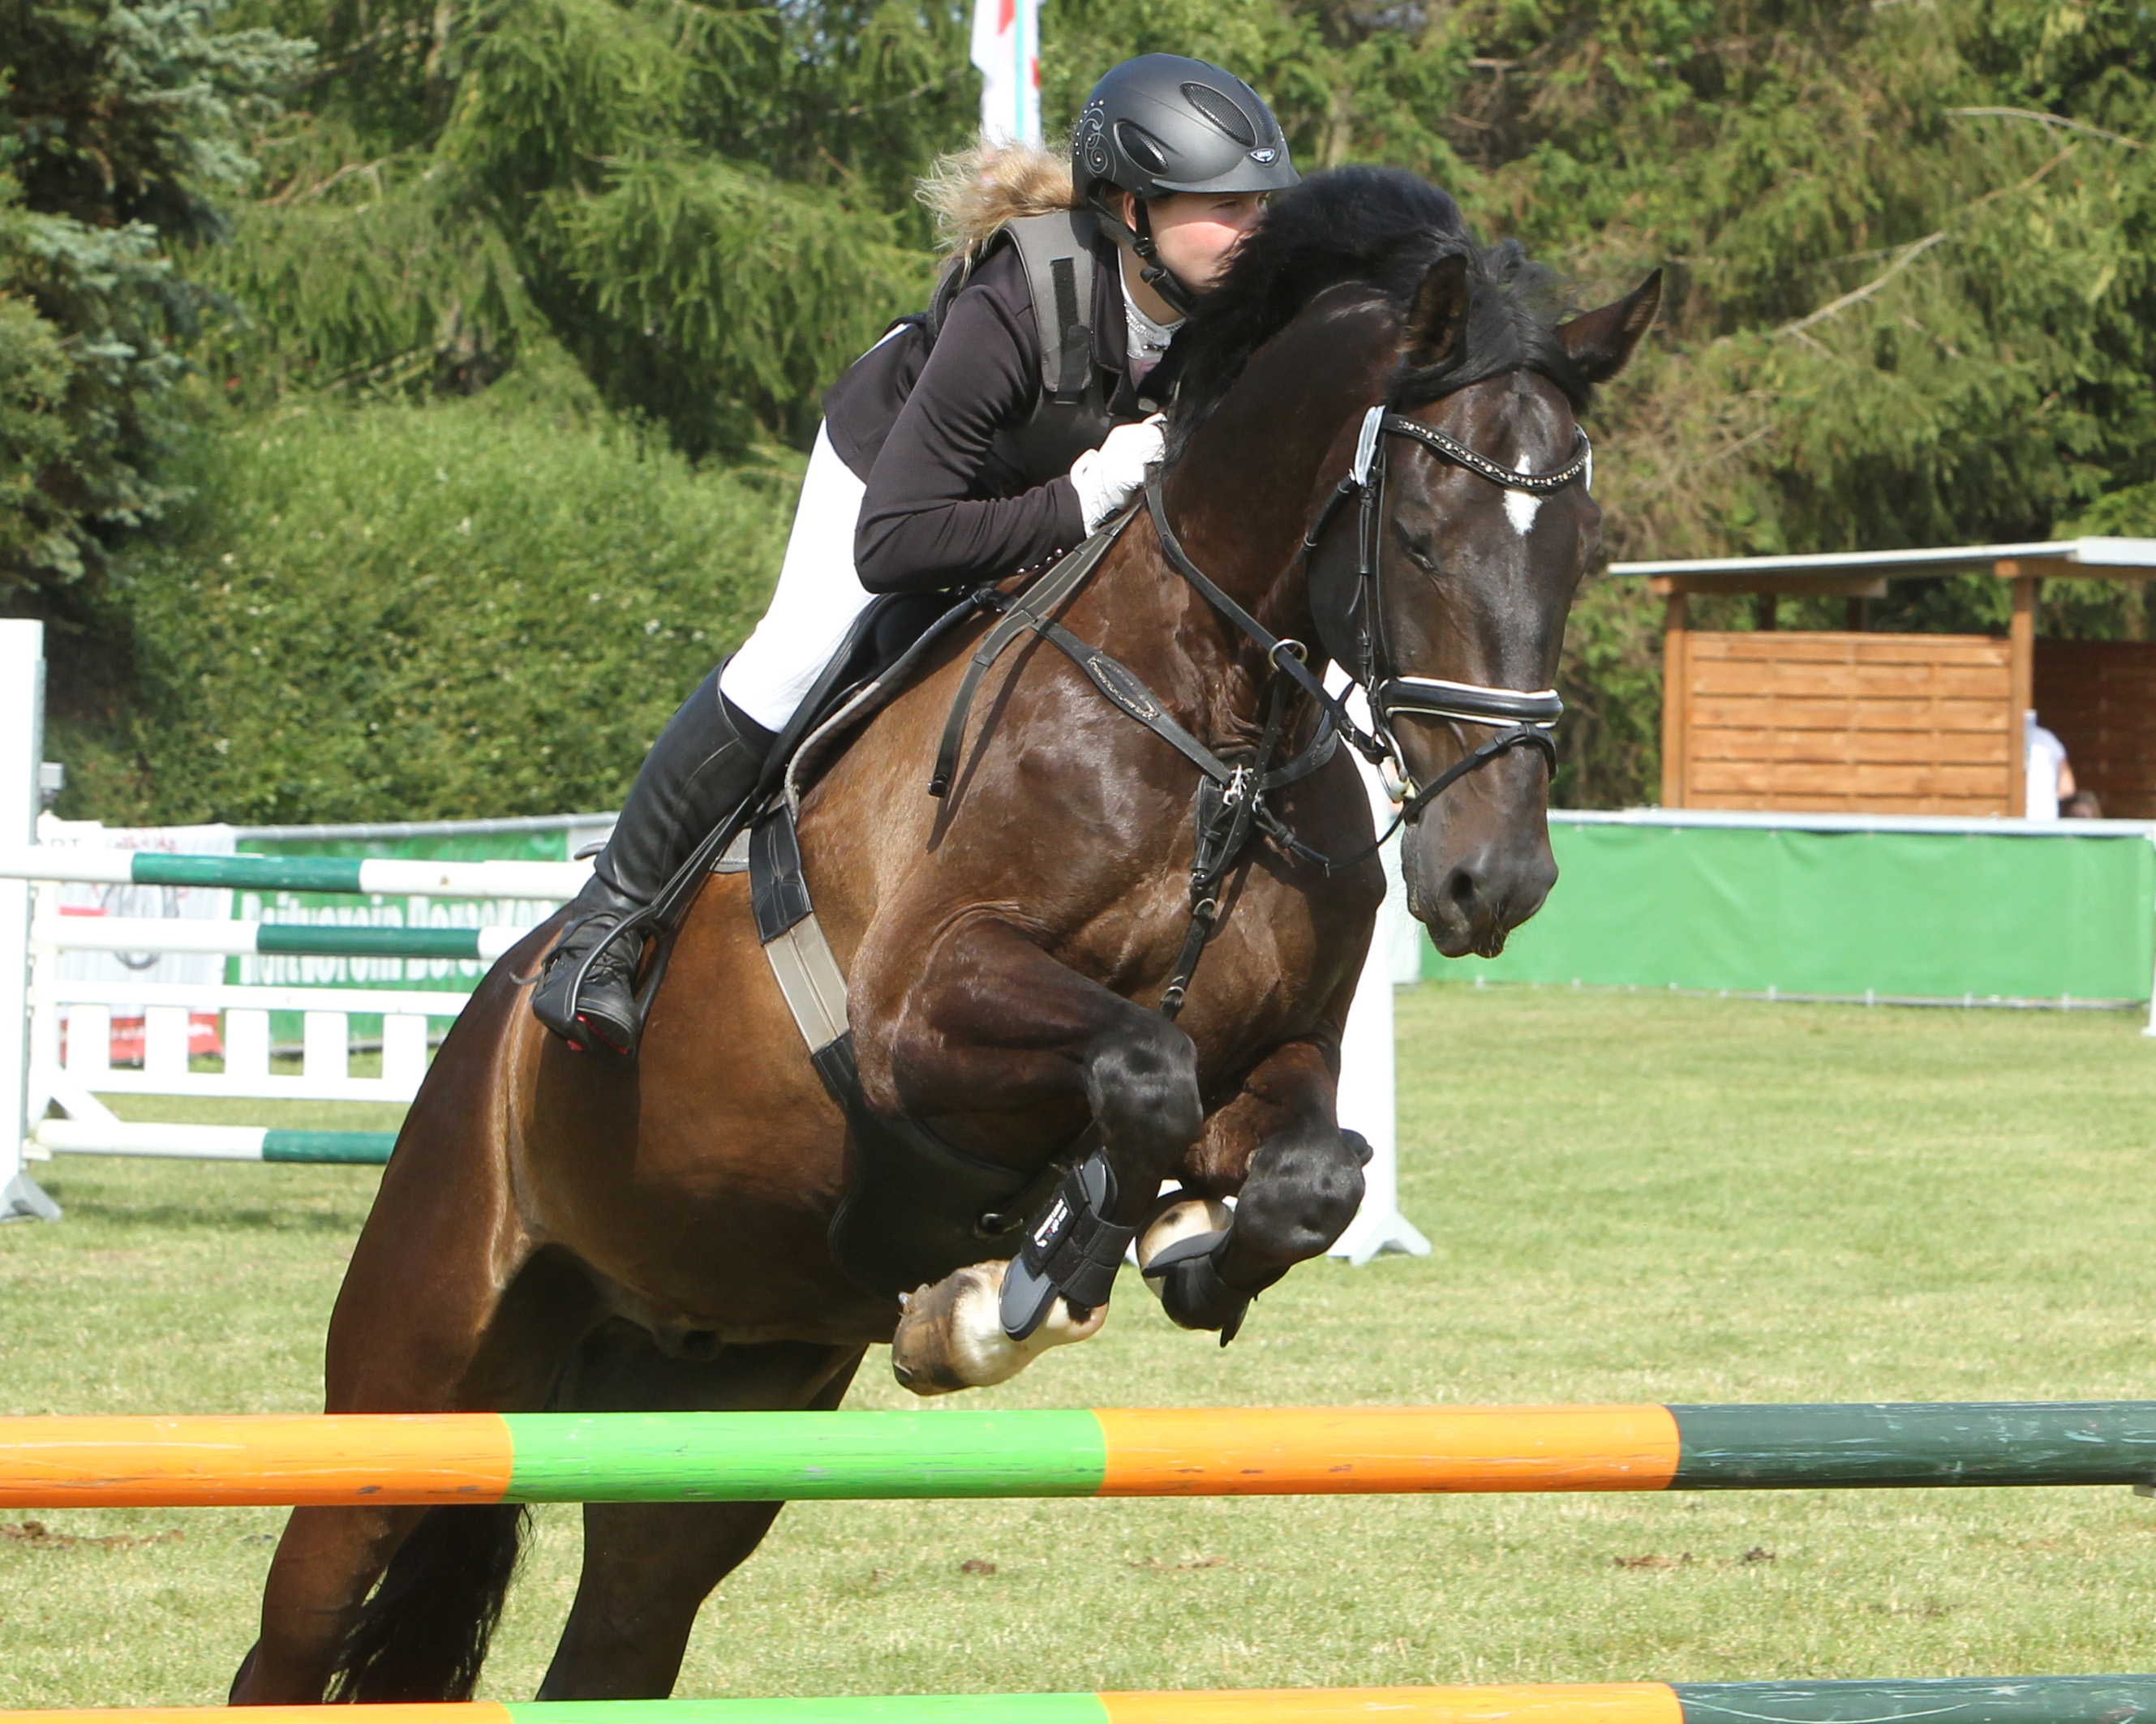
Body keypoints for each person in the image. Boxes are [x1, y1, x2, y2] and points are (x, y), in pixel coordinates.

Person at [533, 54, 1300, 1062]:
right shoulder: (1020, 301)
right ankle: (605, 923)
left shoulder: (1235, 317)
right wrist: (1079, 495)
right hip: (897, 480)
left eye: (1263, 204)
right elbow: (897, 539)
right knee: (799, 650)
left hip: (1058, 496)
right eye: (1225, 205)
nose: (1255, 230)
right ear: (1130, 205)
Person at [2024, 710, 2074, 821]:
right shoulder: (2049, 739)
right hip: (2046, 817)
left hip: (2014, 820)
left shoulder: (2006, 740)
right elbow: (2067, 788)